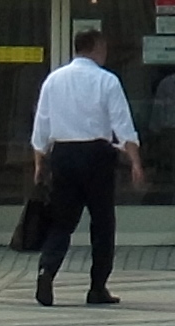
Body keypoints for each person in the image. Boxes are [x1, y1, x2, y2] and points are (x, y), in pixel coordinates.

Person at [30, 24, 142, 307]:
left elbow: (41, 126)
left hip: (63, 155)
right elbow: (122, 124)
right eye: (103, 48)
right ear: (95, 48)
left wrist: (39, 163)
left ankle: (47, 269)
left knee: (61, 222)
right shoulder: (107, 81)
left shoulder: (54, 80)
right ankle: (97, 286)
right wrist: (135, 162)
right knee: (102, 223)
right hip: (97, 155)